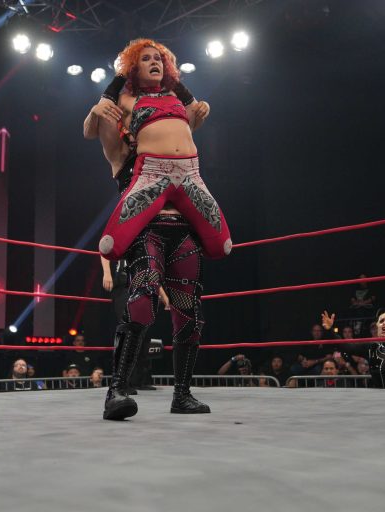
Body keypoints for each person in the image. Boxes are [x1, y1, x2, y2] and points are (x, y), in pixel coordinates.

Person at [94, 39, 229, 420]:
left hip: (183, 224)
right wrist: (103, 102)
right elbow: (93, 127)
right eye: (146, 59)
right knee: (141, 301)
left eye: (158, 59)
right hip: (147, 227)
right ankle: (117, 390)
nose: (154, 63)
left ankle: (182, 394)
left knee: (190, 311)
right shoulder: (122, 130)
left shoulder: (176, 114)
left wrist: (195, 109)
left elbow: (188, 122)